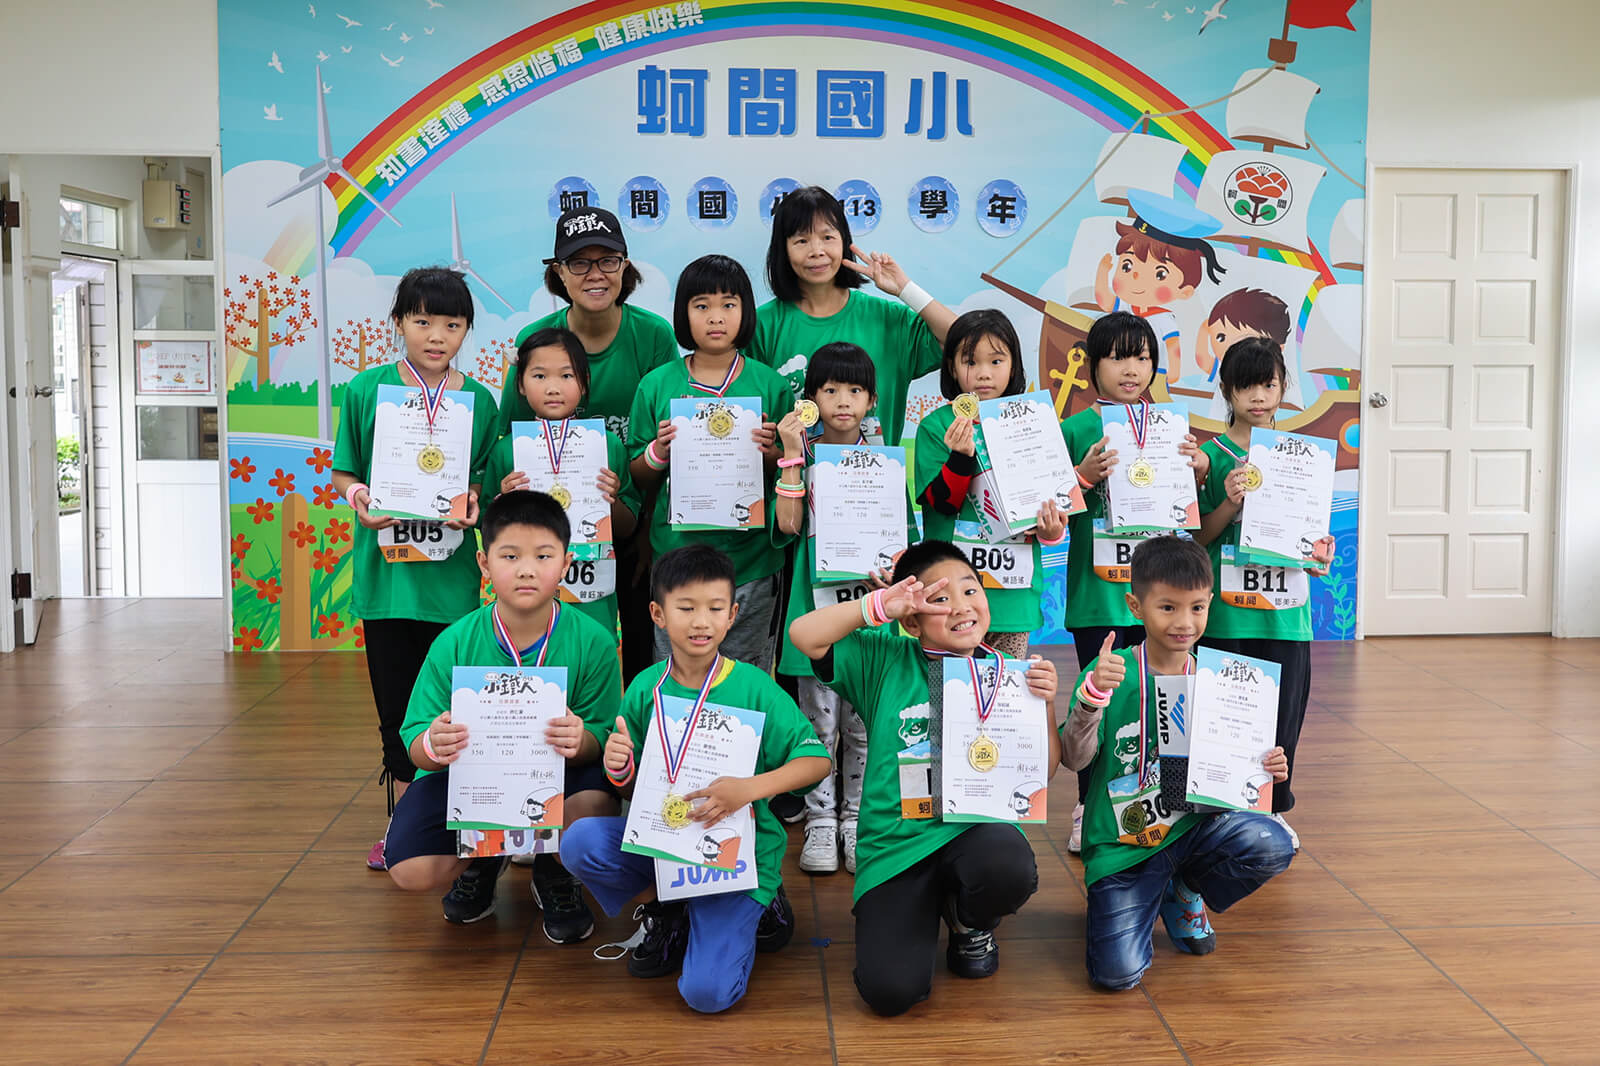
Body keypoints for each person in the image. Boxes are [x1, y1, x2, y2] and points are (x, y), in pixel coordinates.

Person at [789, 540, 1059, 1016]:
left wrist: (1047, 704)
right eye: (940, 598)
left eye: (970, 590)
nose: (962, 606)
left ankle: (967, 920)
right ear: (912, 620)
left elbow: (1043, 771)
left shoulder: (1010, 674)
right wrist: (879, 606)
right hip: (896, 848)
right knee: (890, 993)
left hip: (973, 833)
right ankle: (918, 909)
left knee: (1010, 867)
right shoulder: (884, 658)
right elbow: (804, 635)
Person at [560, 545, 831, 1013]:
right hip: (665, 842)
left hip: (736, 855)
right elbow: (632, 787)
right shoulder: (645, 688)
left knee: (706, 995)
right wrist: (619, 769)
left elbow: (816, 762)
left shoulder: (754, 687)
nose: (701, 622)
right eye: (686, 608)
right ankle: (669, 907)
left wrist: (749, 789)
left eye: (715, 608)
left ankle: (763, 903)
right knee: (580, 841)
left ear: (733, 616)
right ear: (658, 614)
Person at [383, 491, 624, 939]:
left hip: (560, 776)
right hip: (471, 779)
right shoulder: (454, 642)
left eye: (543, 556)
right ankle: (484, 857)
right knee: (411, 868)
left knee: (592, 808)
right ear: (484, 563)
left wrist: (583, 740)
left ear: (566, 563)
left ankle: (556, 871)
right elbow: (415, 739)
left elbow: (606, 735)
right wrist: (434, 743)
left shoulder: (594, 641)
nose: (527, 569)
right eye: (510, 556)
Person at [1061, 535, 1295, 990]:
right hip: (1123, 844)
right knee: (1117, 975)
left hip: (1194, 830)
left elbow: (1239, 773)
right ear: (1135, 606)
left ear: (1210, 604)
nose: (1184, 622)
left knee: (1271, 842)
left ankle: (1184, 889)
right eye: (1167, 607)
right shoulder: (1108, 673)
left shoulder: (1223, 680)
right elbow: (1074, 758)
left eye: (1197, 607)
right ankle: (1142, 891)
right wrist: (1091, 702)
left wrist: (1265, 766)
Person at [330, 266, 499, 872]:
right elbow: (345, 471)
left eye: (452, 324)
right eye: (423, 321)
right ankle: (404, 827)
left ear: (466, 330)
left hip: (450, 586)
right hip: (388, 585)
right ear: (399, 322)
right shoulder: (366, 390)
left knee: (459, 711)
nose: (436, 336)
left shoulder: (480, 401)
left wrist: (474, 501)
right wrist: (361, 500)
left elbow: (482, 479)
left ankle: (470, 820)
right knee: (398, 712)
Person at [497, 205, 677, 684]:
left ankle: (634, 730)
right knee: (555, 646)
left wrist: (646, 534)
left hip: (632, 518)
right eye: (579, 263)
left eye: (608, 261)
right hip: (553, 535)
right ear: (558, 272)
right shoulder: (535, 340)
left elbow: (667, 446)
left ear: (625, 266)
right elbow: (511, 437)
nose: (595, 274)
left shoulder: (653, 335)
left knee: (641, 640)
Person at [1057, 311, 1207, 854]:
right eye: (1118, 357)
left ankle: (1173, 799)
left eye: (1142, 358)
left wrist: (1199, 469)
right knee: (1099, 701)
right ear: (1092, 366)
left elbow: (1186, 511)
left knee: (1169, 698)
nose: (1132, 369)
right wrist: (1082, 477)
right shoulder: (1074, 428)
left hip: (1162, 600)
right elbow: (1049, 512)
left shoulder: (1170, 428)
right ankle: (1088, 804)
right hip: (1099, 595)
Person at [1194, 337, 1335, 850]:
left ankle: (1272, 808)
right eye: (1247, 386)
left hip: (1285, 614)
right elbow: (1199, 538)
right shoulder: (1210, 457)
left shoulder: (1304, 459)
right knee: (1224, 719)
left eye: (1268, 385)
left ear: (1283, 388)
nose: (1258, 396)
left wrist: (1317, 554)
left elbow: (1309, 541)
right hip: (1227, 616)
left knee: (1282, 720)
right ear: (1227, 390)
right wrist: (1230, 503)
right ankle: (1217, 811)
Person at [628, 254, 792, 671]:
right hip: (677, 558)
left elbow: (790, 469)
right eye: (701, 305)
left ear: (746, 311)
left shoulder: (770, 385)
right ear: (683, 314)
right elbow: (636, 475)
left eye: (728, 305)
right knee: (677, 673)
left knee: (746, 676)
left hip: (751, 561)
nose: (715, 317)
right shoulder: (657, 384)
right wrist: (658, 452)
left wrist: (772, 454)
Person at [771, 342, 897, 875]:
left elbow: (901, 539)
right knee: (818, 726)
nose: (843, 400)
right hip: (816, 613)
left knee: (864, 724)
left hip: (871, 615)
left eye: (855, 390)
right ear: (810, 399)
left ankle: (856, 819)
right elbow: (787, 526)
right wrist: (792, 454)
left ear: (872, 400)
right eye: (830, 390)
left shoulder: (886, 459)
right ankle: (821, 819)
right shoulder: (804, 453)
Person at [750, 185, 956, 446]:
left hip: (880, 472)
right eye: (801, 241)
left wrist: (905, 289)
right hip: (791, 473)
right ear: (784, 250)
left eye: (827, 237)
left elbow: (965, 342)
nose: (817, 251)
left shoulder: (889, 319)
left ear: (844, 241)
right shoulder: (762, 326)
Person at [914, 309, 1068, 658]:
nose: (984, 373)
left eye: (996, 361)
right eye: (970, 361)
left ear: (1014, 365)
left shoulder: (1035, 423)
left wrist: (1051, 531)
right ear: (952, 367)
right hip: (949, 603)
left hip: (1012, 600)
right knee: (945, 688)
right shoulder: (937, 426)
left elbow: (1052, 515)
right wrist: (960, 457)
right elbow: (942, 503)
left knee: (1006, 688)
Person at [482, 327, 640, 640]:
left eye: (567, 376)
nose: (553, 388)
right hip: (526, 594)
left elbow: (627, 527)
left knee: (590, 658)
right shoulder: (506, 450)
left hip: (591, 599)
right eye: (539, 376)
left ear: (585, 382)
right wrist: (503, 502)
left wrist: (612, 502)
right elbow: (485, 525)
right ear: (520, 384)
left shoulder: (608, 446)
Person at [1093, 189, 1226, 383]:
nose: (1137, 277)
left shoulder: (1164, 321)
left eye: (1160, 274)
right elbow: (1104, 300)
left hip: (1151, 380)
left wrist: (1169, 377)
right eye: (1127, 266)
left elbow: (1173, 352)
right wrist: (1103, 271)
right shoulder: (1125, 307)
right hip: (1115, 378)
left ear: (1185, 291)